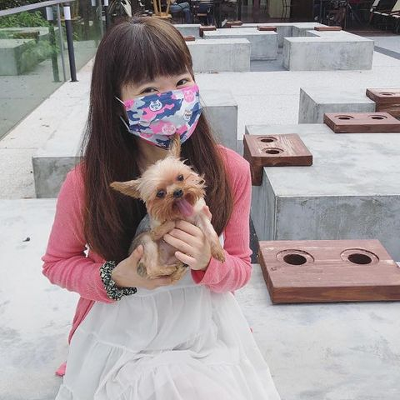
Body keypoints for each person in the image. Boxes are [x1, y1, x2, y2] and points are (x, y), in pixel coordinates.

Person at [42, 17, 281, 400]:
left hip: (202, 328)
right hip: (122, 331)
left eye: (182, 81)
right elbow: (57, 263)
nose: (172, 99)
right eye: (150, 89)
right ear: (116, 103)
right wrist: (116, 277)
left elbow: (238, 268)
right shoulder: (87, 184)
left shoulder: (230, 170)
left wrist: (207, 262)